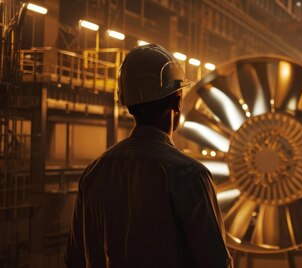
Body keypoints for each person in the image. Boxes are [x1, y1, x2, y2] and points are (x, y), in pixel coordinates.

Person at [65, 44, 232, 268]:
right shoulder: (189, 175)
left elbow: (74, 259)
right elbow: (216, 263)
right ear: (177, 101)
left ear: (129, 105)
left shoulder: (95, 172)